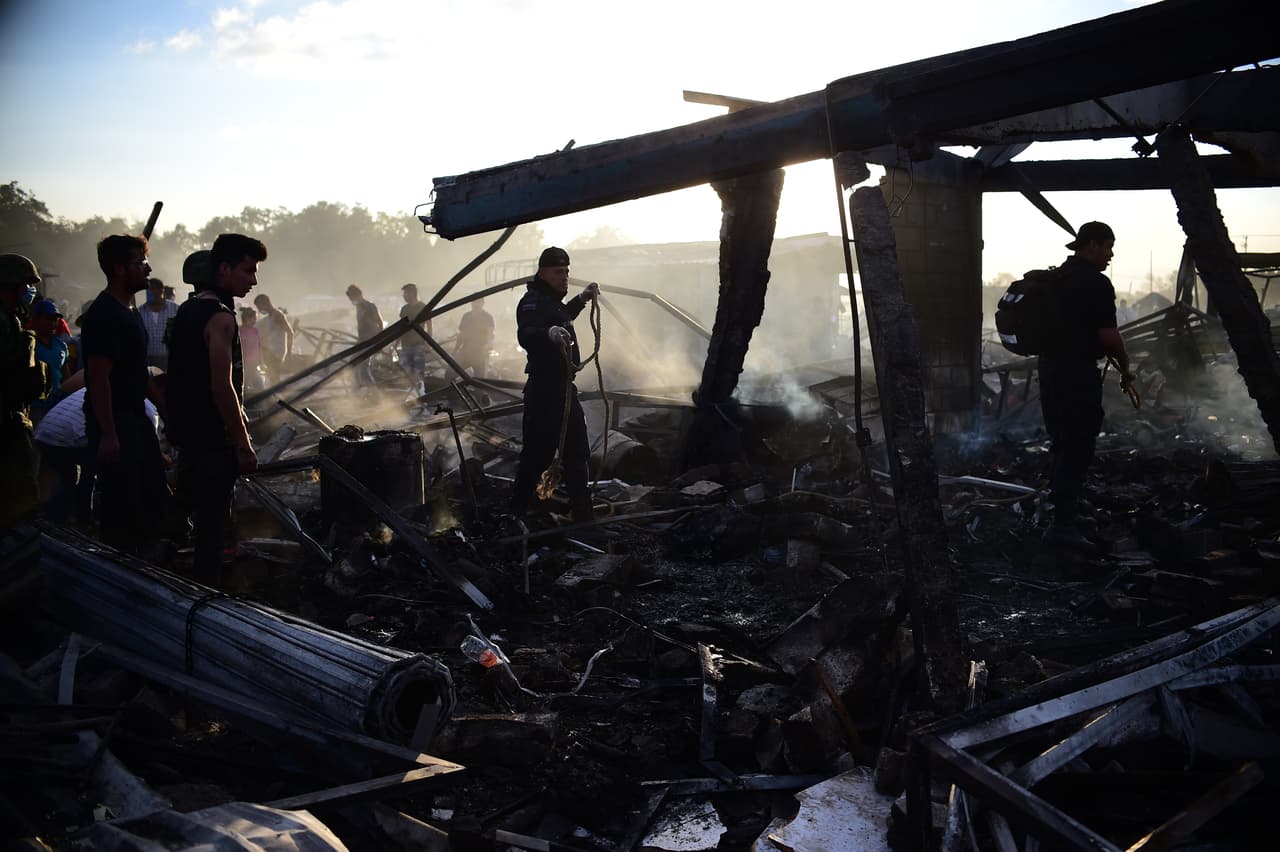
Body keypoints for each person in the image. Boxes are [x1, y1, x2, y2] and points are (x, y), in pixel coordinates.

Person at [167, 235, 266, 585]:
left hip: (188, 436)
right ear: (223, 270)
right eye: (247, 271)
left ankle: (171, 585)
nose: (253, 280)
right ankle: (205, 597)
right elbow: (221, 387)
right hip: (212, 439)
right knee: (212, 526)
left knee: (183, 518)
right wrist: (242, 442)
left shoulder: (187, 312)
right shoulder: (221, 318)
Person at [1039, 221, 1132, 550]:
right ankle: (1063, 528)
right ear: (1091, 245)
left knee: (1062, 443)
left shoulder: (1057, 277)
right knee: (1078, 446)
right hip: (1077, 375)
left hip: (1049, 372)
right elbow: (1108, 336)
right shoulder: (1096, 283)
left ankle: (1063, 513)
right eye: (1107, 246)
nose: (1110, 254)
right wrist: (1126, 367)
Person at [80, 234, 169, 554]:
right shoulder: (104, 315)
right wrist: (108, 434)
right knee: (124, 503)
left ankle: (145, 557)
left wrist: (165, 408)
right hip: (115, 420)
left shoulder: (129, 311)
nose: (147, 269)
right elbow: (99, 378)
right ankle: (123, 566)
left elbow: (137, 371)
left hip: (135, 417)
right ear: (119, 269)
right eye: (140, 262)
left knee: (151, 491)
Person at [510, 247, 599, 522]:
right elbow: (526, 333)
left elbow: (562, 316)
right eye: (559, 272)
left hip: (563, 390)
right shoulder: (532, 302)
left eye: (567, 272)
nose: (565, 277)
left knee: (576, 452)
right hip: (544, 392)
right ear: (543, 273)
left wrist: (582, 300)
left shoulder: (552, 302)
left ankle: (583, 517)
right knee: (536, 456)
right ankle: (515, 515)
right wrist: (547, 334)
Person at [35, 382, 160, 526]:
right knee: (91, 472)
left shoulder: (107, 387)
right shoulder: (144, 407)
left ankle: (60, 521)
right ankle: (84, 521)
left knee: (67, 480)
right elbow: (149, 449)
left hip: (44, 431)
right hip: (67, 437)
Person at [0, 254, 51, 527]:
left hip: (12, 415)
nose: (31, 290)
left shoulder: (11, 319)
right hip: (7, 420)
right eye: (26, 284)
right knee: (21, 496)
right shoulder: (3, 321)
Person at [28, 299, 70, 417]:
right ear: (36, 319)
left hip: (58, 406)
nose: (53, 323)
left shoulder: (61, 346)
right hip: (34, 407)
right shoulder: (27, 344)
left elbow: (66, 378)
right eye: (48, 319)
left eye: (55, 320)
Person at [346, 284, 383, 388]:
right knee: (353, 364)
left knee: (364, 367)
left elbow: (380, 323)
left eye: (352, 298)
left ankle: (373, 392)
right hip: (361, 341)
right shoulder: (358, 307)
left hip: (370, 341)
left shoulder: (370, 306)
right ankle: (359, 388)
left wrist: (379, 341)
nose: (351, 300)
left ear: (358, 295)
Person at [252, 293, 293, 385]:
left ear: (265, 303)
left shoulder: (278, 315)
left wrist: (289, 353)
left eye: (259, 306)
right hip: (270, 351)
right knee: (272, 377)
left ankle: (275, 395)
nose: (259, 310)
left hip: (276, 352)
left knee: (274, 377)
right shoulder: (269, 317)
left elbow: (290, 333)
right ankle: (274, 395)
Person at [139, 277, 178, 371]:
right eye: (147, 290)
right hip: (147, 358)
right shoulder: (141, 311)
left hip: (168, 357)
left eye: (152, 289)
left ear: (161, 291)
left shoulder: (175, 309)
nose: (149, 292)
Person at [398, 283, 432, 381]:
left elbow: (429, 325)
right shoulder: (404, 309)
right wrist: (396, 344)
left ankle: (420, 393)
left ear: (413, 293)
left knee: (418, 373)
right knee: (406, 374)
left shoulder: (422, 307)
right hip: (405, 345)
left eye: (406, 293)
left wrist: (428, 344)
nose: (404, 296)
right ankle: (411, 394)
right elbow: (401, 327)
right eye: (404, 294)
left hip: (418, 345)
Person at [455, 297, 496, 379]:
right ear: (471, 303)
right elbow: (461, 335)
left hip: (480, 354)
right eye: (474, 302)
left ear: (482, 303)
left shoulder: (487, 317)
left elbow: (490, 334)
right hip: (465, 352)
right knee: (450, 374)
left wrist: (487, 347)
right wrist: (455, 350)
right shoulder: (466, 316)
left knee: (480, 381)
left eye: (478, 302)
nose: (476, 305)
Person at [239, 307, 265, 392]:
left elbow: (259, 346)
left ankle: (261, 401)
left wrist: (262, 361)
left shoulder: (255, 331)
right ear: (246, 318)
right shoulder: (239, 331)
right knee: (243, 385)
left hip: (254, 363)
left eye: (255, 319)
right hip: (242, 364)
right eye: (253, 319)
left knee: (259, 385)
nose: (254, 321)